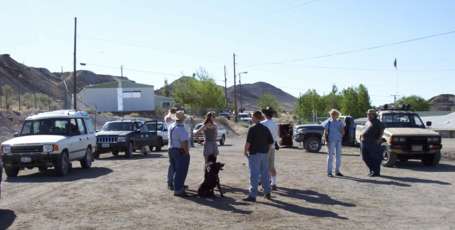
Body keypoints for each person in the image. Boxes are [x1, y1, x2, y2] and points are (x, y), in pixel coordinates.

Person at [243, 111, 274, 202]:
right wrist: (266, 151)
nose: (251, 118)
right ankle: (267, 192)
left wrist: (245, 151)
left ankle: (253, 195)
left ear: (256, 118)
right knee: (264, 174)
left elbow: (248, 143)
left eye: (252, 117)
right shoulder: (265, 128)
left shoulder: (252, 129)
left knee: (254, 175)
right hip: (264, 154)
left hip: (254, 154)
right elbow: (270, 142)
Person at [167, 110, 191, 196]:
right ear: (182, 119)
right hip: (179, 151)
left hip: (171, 149)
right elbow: (184, 143)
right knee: (181, 171)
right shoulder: (181, 129)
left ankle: (176, 185)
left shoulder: (171, 126)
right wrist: (187, 153)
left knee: (174, 169)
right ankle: (178, 189)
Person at [360, 109, 385, 177]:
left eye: (370, 114)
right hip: (364, 142)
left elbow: (382, 130)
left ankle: (376, 172)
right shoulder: (368, 121)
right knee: (365, 157)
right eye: (368, 114)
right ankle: (372, 170)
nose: (368, 115)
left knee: (374, 158)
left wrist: (379, 139)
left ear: (374, 115)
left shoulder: (377, 122)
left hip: (373, 142)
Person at [261, 107, 279, 190]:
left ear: (265, 114)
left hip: (265, 147)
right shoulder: (275, 124)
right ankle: (274, 183)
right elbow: (276, 136)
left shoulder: (263, 123)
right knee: (271, 166)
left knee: (264, 166)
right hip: (272, 146)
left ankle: (266, 184)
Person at [323, 109, 345, 177]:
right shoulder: (328, 122)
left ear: (337, 115)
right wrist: (326, 141)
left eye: (335, 114)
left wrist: (341, 133)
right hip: (331, 141)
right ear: (330, 115)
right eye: (332, 114)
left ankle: (337, 171)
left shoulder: (340, 122)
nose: (333, 115)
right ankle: (329, 172)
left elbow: (343, 131)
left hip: (338, 140)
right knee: (330, 156)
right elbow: (325, 132)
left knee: (338, 156)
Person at [164, 107, 177, 190]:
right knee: (172, 165)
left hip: (175, 145)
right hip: (172, 145)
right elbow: (169, 118)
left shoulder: (173, 118)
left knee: (176, 166)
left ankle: (176, 182)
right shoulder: (169, 118)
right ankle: (170, 182)